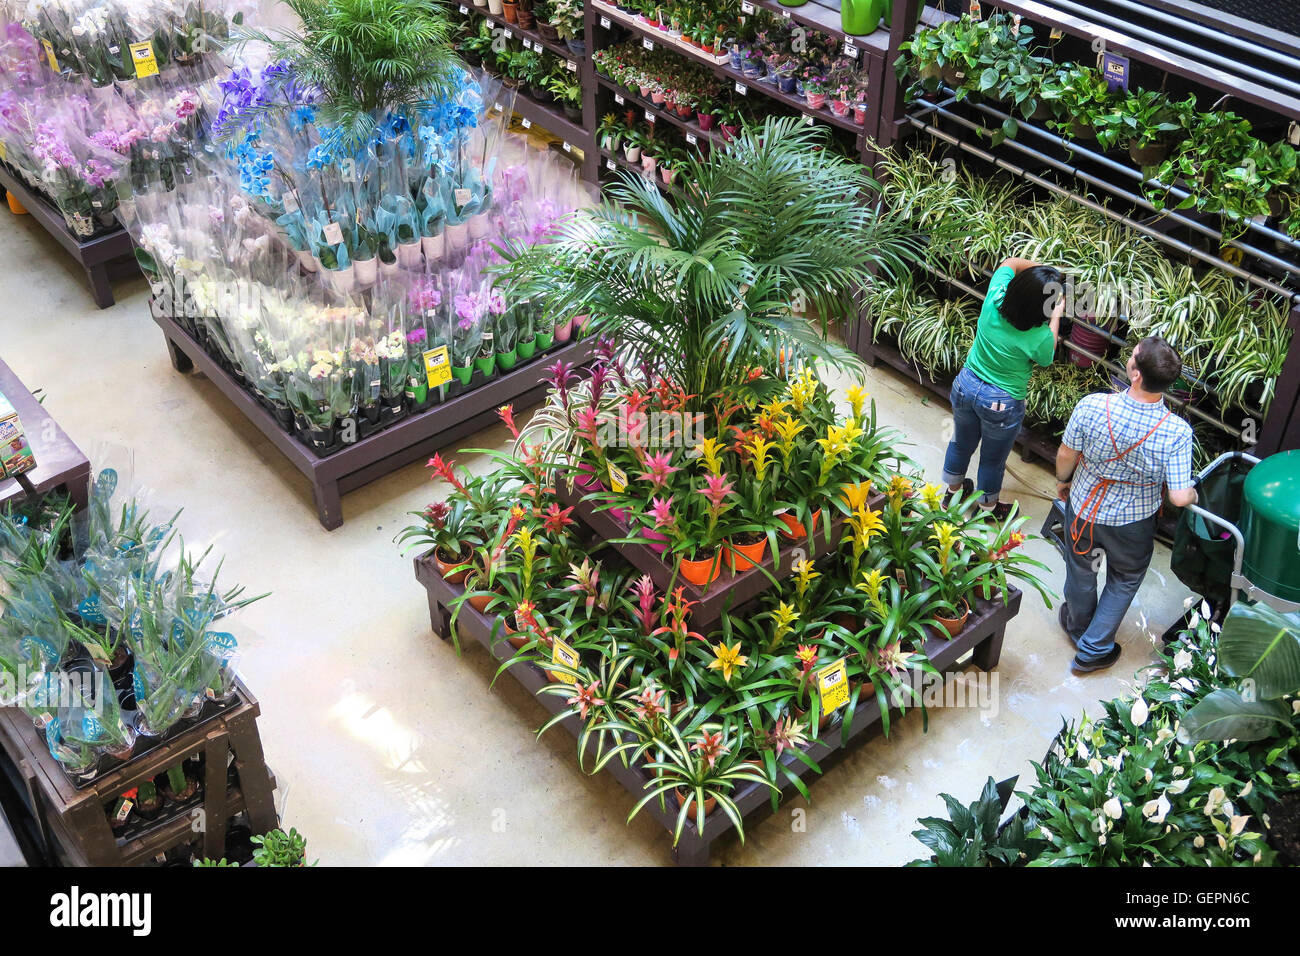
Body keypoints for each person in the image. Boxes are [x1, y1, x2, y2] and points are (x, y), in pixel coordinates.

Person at [1055, 337, 1198, 673]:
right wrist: (1193, 493)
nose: (1129, 356)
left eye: (1133, 354)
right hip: (1133, 523)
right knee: (1124, 578)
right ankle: (1092, 650)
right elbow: (1179, 496)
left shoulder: (1093, 405)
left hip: (1085, 506)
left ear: (1136, 374)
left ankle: (1078, 625)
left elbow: (1066, 454)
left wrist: (1064, 481)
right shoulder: (1177, 432)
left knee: (1082, 568)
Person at [942, 257, 1064, 519]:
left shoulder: (994, 298)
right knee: (991, 460)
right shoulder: (1038, 335)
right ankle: (987, 510)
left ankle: (951, 494)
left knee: (960, 444)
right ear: (1042, 309)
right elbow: (1047, 356)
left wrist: (1039, 274)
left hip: (966, 384)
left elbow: (1010, 262)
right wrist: (1055, 317)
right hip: (1001, 401)